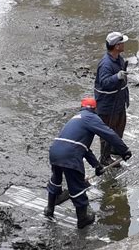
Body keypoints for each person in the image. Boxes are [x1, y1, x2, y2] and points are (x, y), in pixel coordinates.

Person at [44, 97, 132, 229]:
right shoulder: (91, 117)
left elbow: (83, 148)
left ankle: (49, 209)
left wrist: (97, 165)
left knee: (56, 179)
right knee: (77, 186)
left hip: (55, 151)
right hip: (70, 155)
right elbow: (109, 134)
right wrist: (124, 150)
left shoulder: (76, 118)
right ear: (95, 109)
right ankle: (82, 219)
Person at [94, 32, 130, 166]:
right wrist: (117, 77)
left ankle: (115, 148)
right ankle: (104, 157)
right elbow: (104, 82)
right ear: (116, 46)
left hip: (119, 102)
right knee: (107, 132)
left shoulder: (119, 58)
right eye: (122, 43)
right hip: (108, 106)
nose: (124, 45)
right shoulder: (106, 64)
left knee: (120, 126)